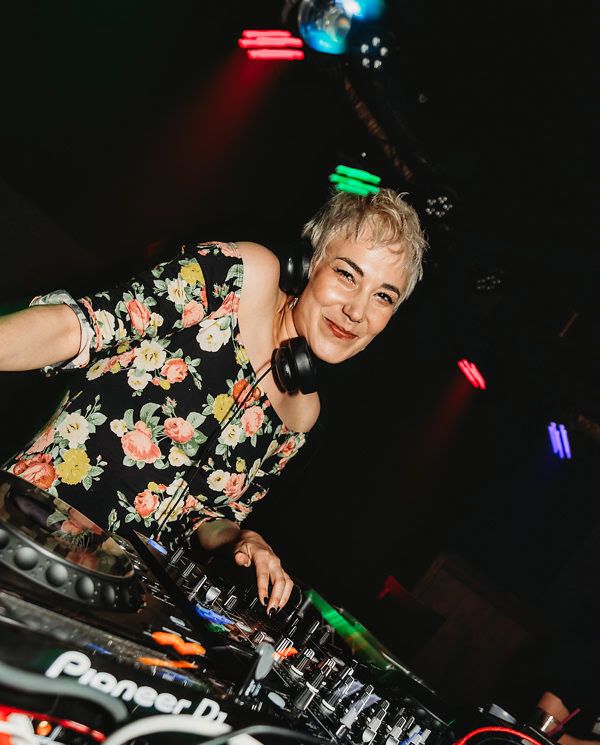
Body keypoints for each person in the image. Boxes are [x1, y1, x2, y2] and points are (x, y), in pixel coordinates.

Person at [0, 188, 426, 612]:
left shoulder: (302, 414)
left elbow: (203, 517)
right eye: (347, 275)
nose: (357, 311)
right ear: (308, 264)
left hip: (117, 593)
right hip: (27, 527)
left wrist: (242, 538)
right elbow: (84, 327)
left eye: (383, 296)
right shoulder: (244, 276)